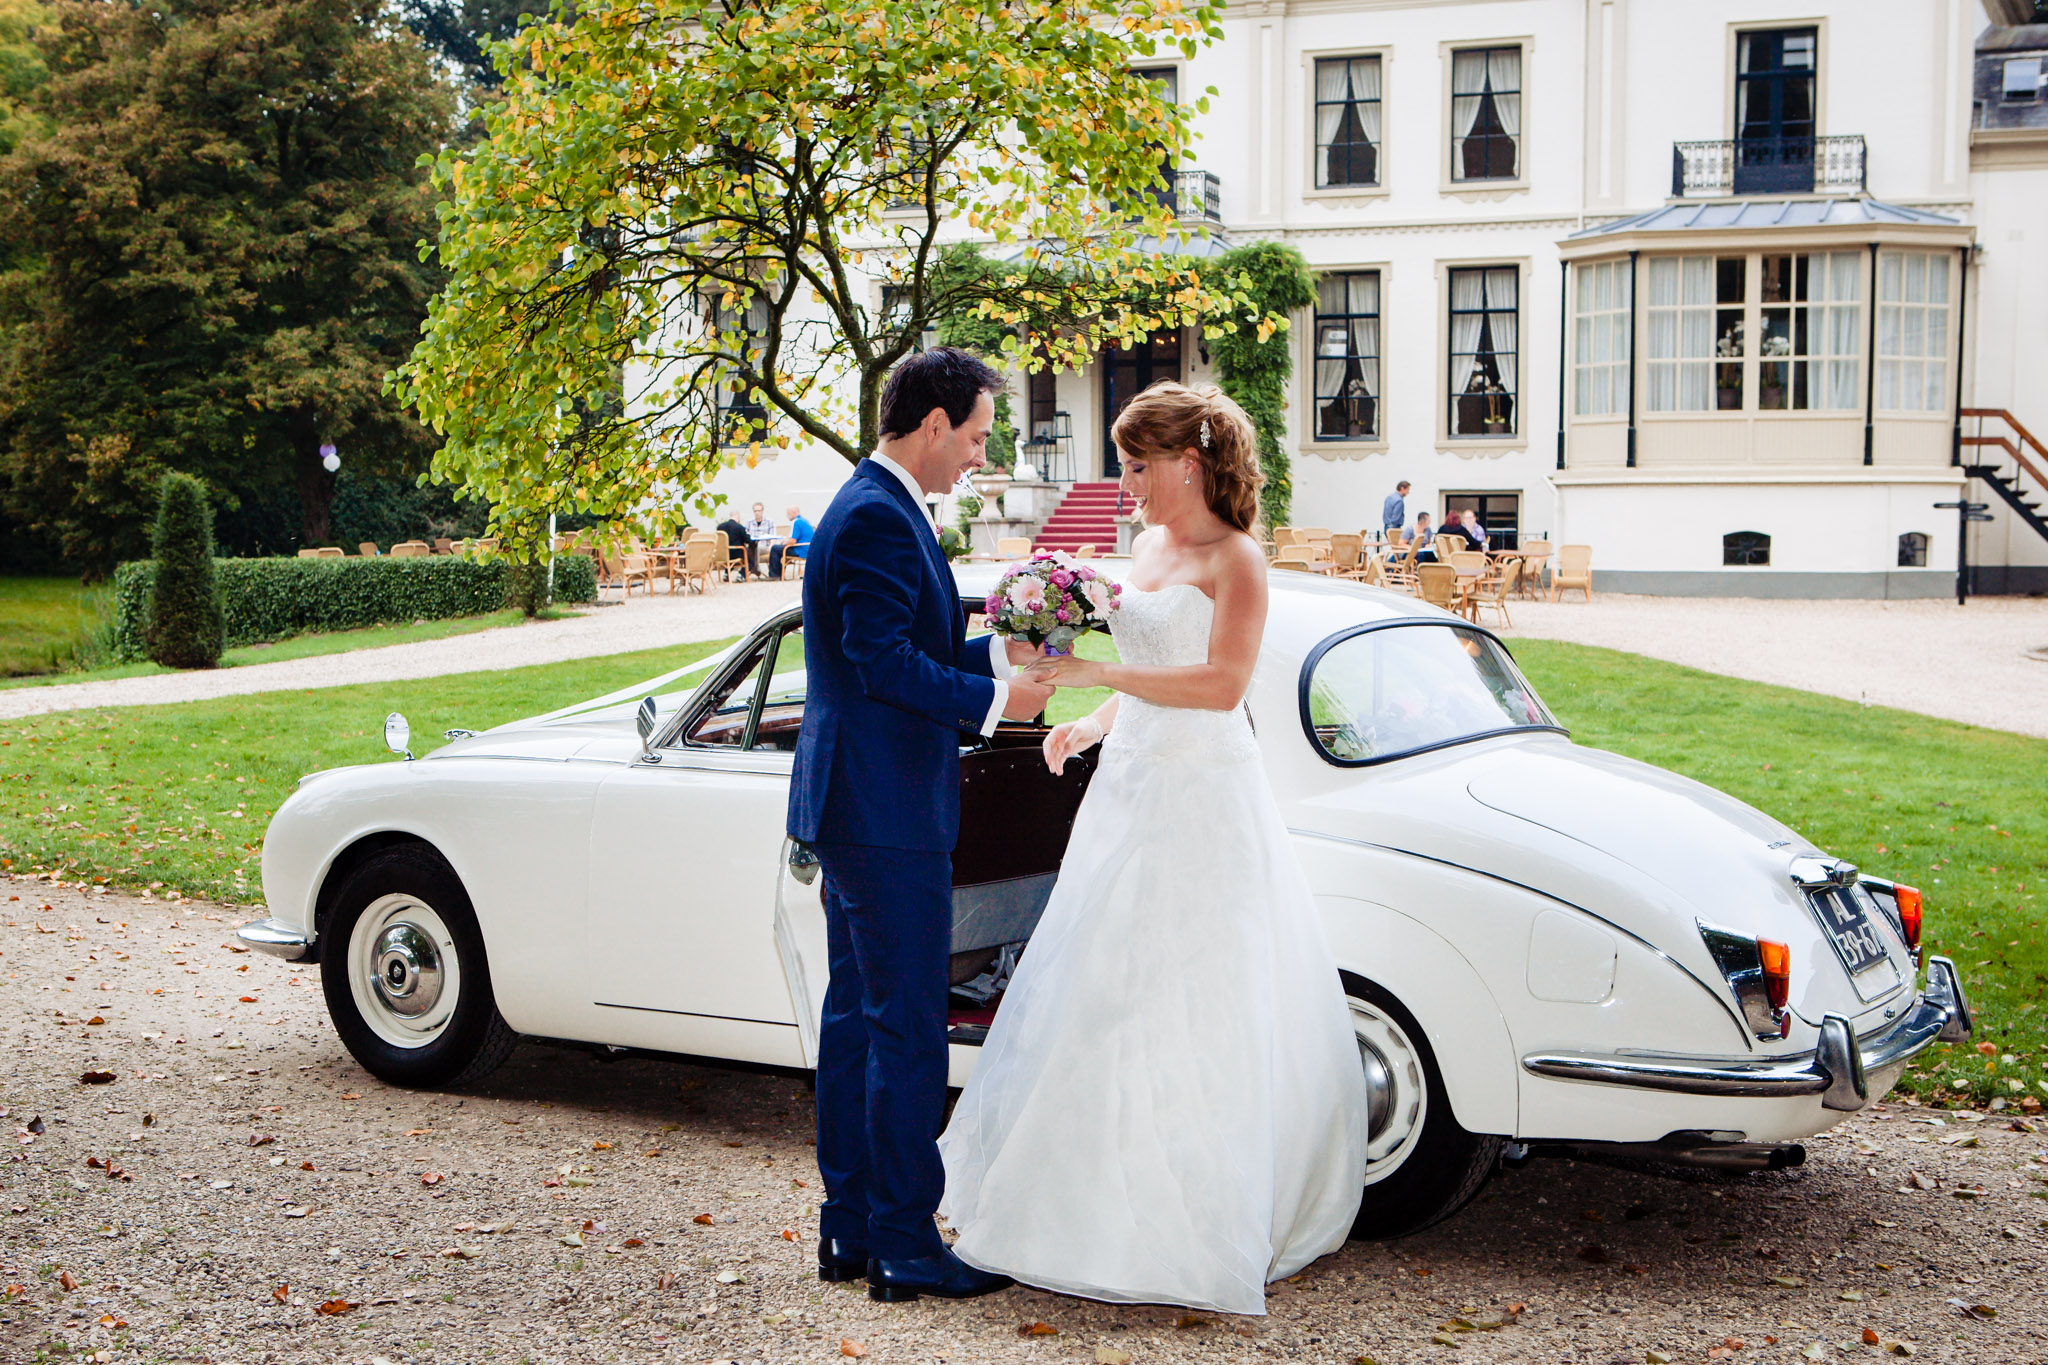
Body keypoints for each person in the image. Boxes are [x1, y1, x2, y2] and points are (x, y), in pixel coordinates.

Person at [939, 381, 1369, 1317]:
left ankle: (1196, 1219)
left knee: (1192, 995)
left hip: (1203, 797)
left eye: (1137, 465)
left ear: (1187, 463)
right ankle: (1079, 1199)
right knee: (1100, 989)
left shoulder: (1238, 560)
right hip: (1129, 788)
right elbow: (1151, 677)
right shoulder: (1145, 546)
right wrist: (1089, 724)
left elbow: (1217, 685)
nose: (1125, 481)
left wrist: (1095, 668)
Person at [787, 347, 1054, 1304]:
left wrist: (1005, 644)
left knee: (862, 1020)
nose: (978, 456)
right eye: (977, 437)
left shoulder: (880, 509)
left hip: (863, 803)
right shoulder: (875, 518)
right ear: (933, 425)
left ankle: (852, 1227)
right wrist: (1000, 701)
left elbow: (913, 642)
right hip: (883, 808)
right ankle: (902, 1240)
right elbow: (881, 666)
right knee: (902, 1031)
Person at [769, 503, 812, 578]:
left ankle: (774, 575)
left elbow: (792, 541)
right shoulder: (804, 521)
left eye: (788, 513)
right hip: (808, 549)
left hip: (800, 550)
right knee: (780, 549)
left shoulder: (795, 522)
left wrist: (783, 542)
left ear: (794, 513)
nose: (787, 515)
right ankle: (780, 574)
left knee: (775, 548)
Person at [744, 502, 777, 576]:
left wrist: (771, 545)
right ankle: (752, 569)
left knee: (756, 548)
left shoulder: (769, 522)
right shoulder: (749, 522)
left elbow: (773, 536)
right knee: (752, 548)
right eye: (755, 511)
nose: (757, 513)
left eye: (759, 511)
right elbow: (745, 535)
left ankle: (755, 567)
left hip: (765, 546)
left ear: (762, 511)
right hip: (752, 546)